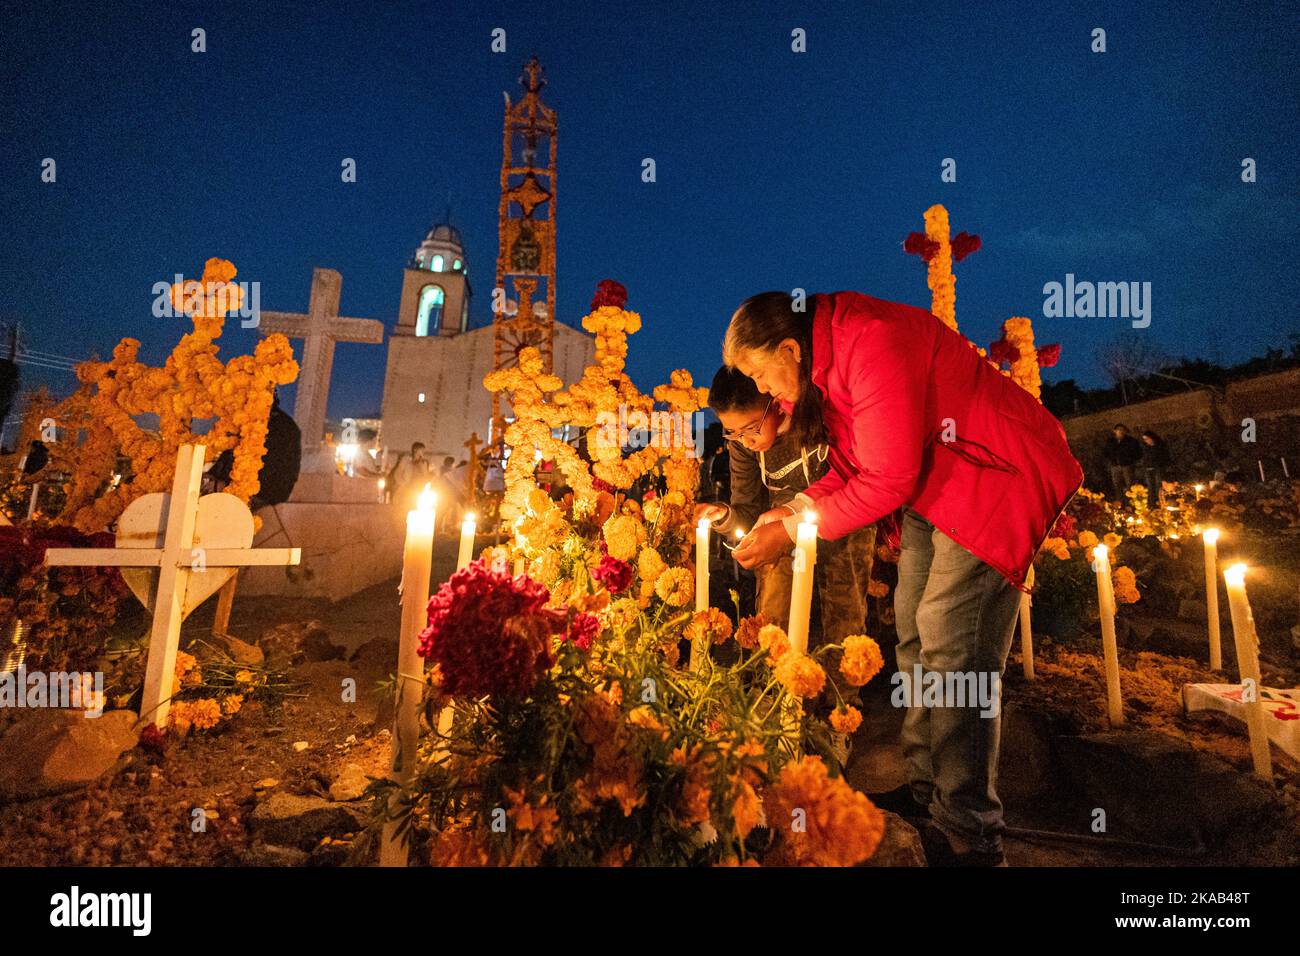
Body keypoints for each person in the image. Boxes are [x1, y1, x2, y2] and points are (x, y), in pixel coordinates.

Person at [726, 291, 1082, 867]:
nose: (763, 391)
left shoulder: (870, 341)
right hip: (938, 490)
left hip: (992, 479)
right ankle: (924, 797)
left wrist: (791, 535)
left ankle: (970, 834)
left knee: (953, 646)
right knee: (915, 635)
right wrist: (792, 511)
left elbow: (888, 477)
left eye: (761, 374)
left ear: (790, 348)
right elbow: (851, 462)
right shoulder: (827, 362)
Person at [696, 366, 874, 762]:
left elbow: (859, 478)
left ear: (774, 398)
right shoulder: (745, 447)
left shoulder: (818, 419)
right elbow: (747, 506)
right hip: (780, 532)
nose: (745, 440)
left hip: (844, 526)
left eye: (749, 428)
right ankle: (778, 712)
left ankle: (837, 720)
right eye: (732, 434)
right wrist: (726, 519)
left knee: (842, 618)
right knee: (772, 617)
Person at [1101, 423, 1142, 500]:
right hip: (1115, 466)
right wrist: (1111, 460)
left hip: (1127, 465)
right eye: (1119, 430)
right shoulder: (1111, 441)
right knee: (1117, 485)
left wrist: (1131, 460)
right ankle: (1120, 502)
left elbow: (1138, 452)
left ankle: (1131, 502)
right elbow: (1105, 452)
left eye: (1122, 430)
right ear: (1115, 431)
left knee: (1130, 485)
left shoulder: (1130, 441)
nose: (1121, 431)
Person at [389, 442, 430, 506]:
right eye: (421, 450)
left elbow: (425, 477)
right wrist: (403, 484)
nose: (423, 452)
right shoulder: (406, 460)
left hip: (417, 491)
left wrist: (423, 466)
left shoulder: (423, 463)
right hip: (405, 489)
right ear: (415, 450)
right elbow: (397, 474)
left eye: (423, 450)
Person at [1139, 429, 1171, 509]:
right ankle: (1152, 505)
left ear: (1151, 438)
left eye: (1147, 438)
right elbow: (1145, 458)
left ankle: (1159, 503)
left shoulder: (1160, 446)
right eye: (1144, 439)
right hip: (1148, 469)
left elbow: (1164, 457)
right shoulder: (1146, 448)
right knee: (1150, 487)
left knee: (1158, 486)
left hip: (1158, 469)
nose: (1146, 441)